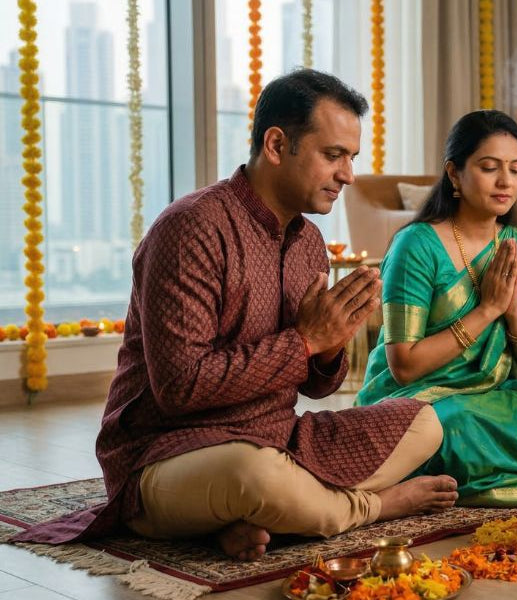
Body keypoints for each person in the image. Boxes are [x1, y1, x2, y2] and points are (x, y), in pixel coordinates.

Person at [13, 69, 458, 560]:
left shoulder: (309, 244)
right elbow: (180, 387)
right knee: (255, 476)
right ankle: (369, 507)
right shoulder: (191, 230)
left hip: (279, 438)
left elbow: (314, 388)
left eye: (351, 157)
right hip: (167, 454)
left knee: (425, 421)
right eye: (333, 155)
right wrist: (305, 342)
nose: (348, 175)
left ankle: (246, 518)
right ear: (275, 144)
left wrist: (329, 349)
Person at [356, 110, 517, 507]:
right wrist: (486, 310)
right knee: (457, 424)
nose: (506, 181)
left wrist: (513, 313)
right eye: (490, 168)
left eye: (516, 169)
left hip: (494, 396)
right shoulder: (417, 246)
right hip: (426, 402)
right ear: (454, 174)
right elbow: (403, 365)